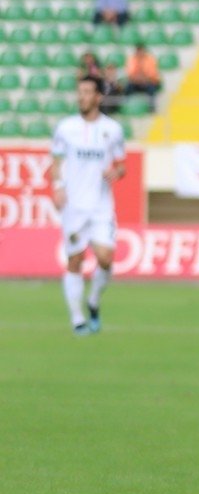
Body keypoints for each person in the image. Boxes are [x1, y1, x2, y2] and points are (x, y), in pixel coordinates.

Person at [50, 76, 126, 336]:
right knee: (75, 259)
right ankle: (78, 319)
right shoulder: (65, 127)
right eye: (79, 92)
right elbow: (57, 161)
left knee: (105, 258)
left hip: (101, 205)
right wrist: (58, 187)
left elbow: (121, 164)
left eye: (86, 92)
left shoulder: (113, 129)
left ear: (98, 97)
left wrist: (117, 173)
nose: (81, 97)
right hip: (74, 206)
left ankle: (93, 301)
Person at [123, 43, 161, 109]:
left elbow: (153, 74)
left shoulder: (150, 59)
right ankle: (126, 106)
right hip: (135, 83)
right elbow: (130, 74)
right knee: (127, 87)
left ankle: (151, 108)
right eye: (139, 51)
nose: (140, 53)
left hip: (148, 82)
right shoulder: (132, 59)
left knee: (151, 89)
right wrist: (138, 79)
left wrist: (144, 79)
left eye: (141, 51)